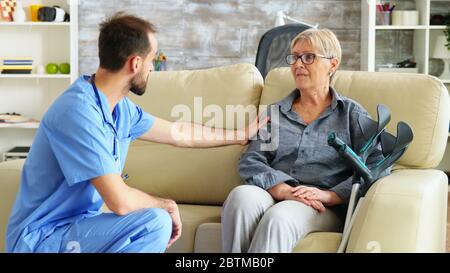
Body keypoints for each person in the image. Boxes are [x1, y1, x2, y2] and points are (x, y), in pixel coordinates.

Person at [6, 13, 265, 253]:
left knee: (155, 221)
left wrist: (240, 134)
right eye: (152, 59)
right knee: (155, 221)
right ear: (135, 63)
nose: (152, 68)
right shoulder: (78, 112)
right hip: (41, 239)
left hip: (78, 228)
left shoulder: (119, 108)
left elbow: (179, 133)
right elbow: (120, 201)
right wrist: (166, 204)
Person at [221, 28, 390, 253]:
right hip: (276, 191)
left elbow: (377, 166)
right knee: (240, 198)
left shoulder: (351, 114)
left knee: (279, 218)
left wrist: (332, 195)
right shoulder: (276, 113)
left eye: (308, 57)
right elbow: (252, 159)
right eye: (294, 57)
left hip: (320, 204)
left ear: (332, 64)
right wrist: (282, 189)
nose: (298, 64)